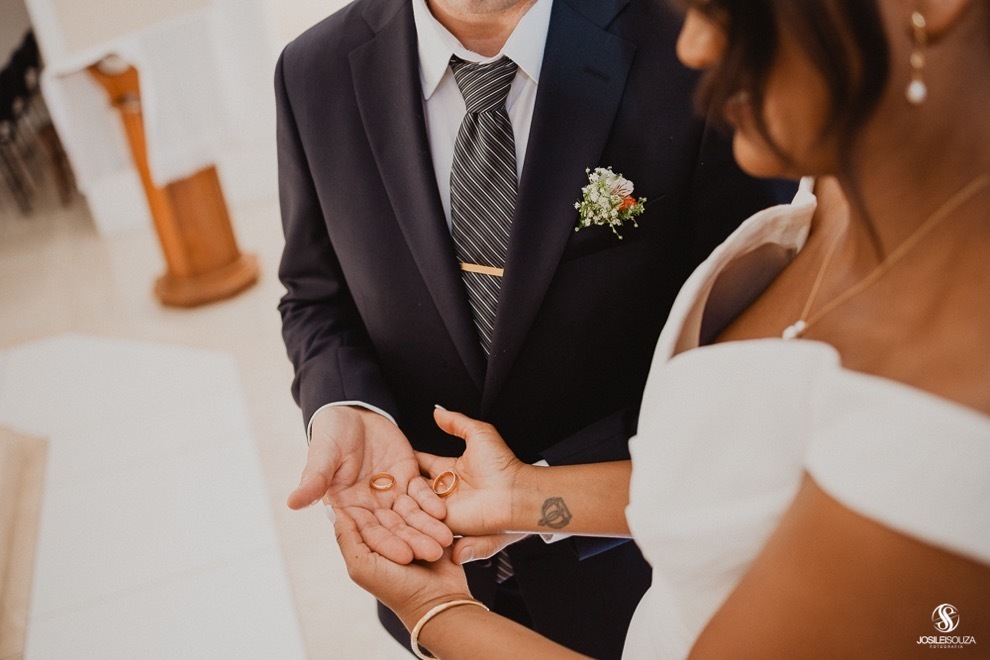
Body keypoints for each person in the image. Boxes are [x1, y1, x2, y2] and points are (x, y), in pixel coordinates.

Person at [330, 0, 990, 657]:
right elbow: (737, 482)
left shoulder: (952, 414)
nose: (695, 46)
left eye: (725, 8)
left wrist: (436, 612)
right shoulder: (842, 195)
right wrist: (523, 497)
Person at [275, 0, 788, 656]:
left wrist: (540, 491)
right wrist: (347, 403)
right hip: (421, 543)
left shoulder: (692, 42)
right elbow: (315, 296)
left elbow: (748, 343)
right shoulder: (312, 70)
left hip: (635, 564)